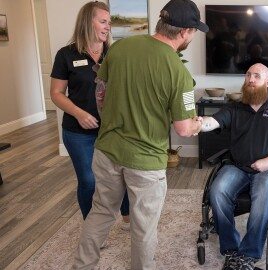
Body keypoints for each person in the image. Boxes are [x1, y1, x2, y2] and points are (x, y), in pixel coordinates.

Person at [72, 0, 208, 269]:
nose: (192, 37)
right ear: (184, 32)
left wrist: (114, 118)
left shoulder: (121, 47)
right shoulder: (179, 72)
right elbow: (183, 128)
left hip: (107, 148)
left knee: (100, 211)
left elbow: (101, 92)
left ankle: (81, 266)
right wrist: (198, 123)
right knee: (143, 227)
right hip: (145, 161)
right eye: (194, 32)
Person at [199, 63, 268, 270]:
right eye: (248, 75)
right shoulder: (235, 108)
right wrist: (199, 123)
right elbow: (213, 122)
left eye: (257, 76)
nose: (251, 79)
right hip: (237, 167)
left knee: (263, 194)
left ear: (267, 82)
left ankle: (249, 254)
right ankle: (231, 249)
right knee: (217, 191)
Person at [50, 1, 130, 226]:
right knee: (88, 181)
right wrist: (79, 114)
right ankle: (92, 227)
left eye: (109, 23)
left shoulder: (114, 53)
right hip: (78, 131)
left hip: (112, 129)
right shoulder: (66, 55)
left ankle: (127, 215)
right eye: (103, 22)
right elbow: (56, 93)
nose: (108, 27)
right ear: (88, 22)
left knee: (121, 176)